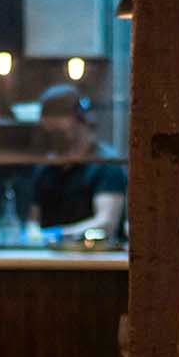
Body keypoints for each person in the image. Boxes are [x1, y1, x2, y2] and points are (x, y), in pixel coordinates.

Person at [27, 84, 126, 241]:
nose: (53, 136)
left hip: (95, 260)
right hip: (48, 259)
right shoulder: (45, 168)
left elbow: (107, 223)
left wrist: (57, 234)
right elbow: (34, 222)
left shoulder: (105, 164)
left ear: (81, 121)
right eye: (49, 131)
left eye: (58, 131)